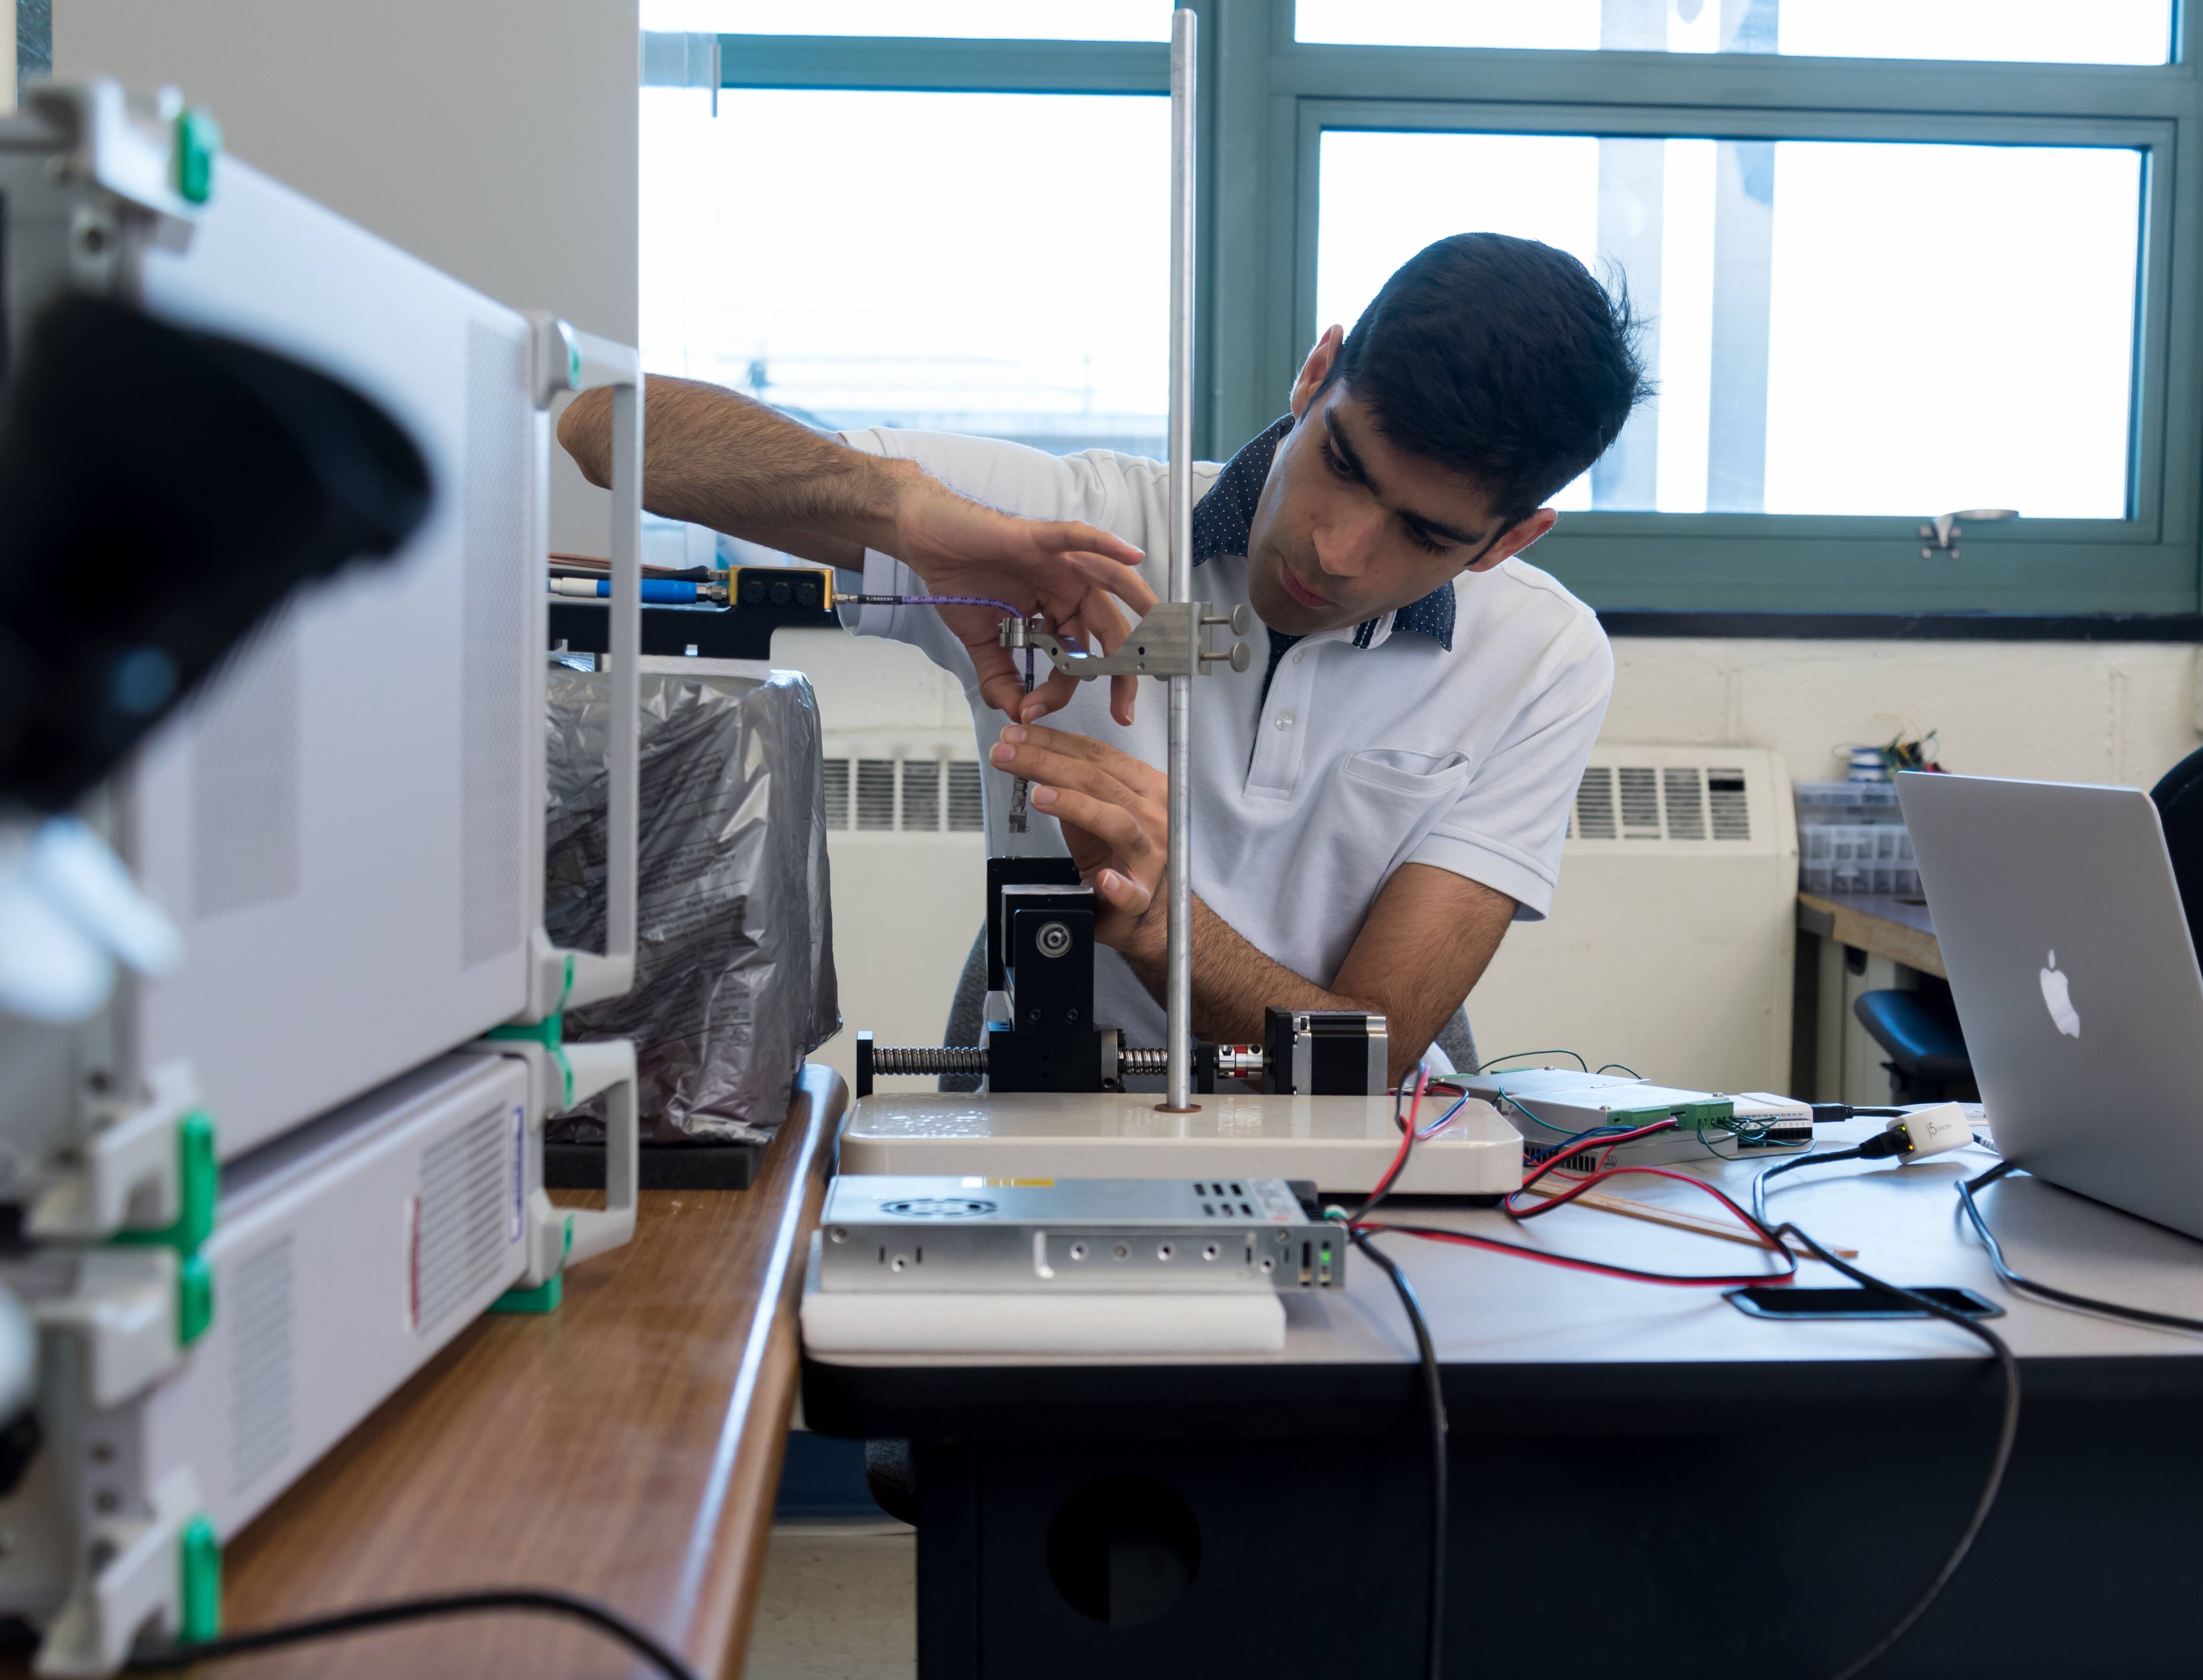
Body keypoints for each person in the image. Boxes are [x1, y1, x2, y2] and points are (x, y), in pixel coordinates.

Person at [555, 231, 1645, 1073]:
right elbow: (604, 430)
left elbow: (1366, 1051)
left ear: (1509, 540)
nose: (1336, 549)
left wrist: (1169, 927)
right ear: (1314, 377)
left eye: (1425, 533)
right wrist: (904, 514)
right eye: (1344, 465)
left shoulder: (1542, 658)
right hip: (1051, 1097)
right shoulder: (1073, 529)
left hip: (1367, 1151)